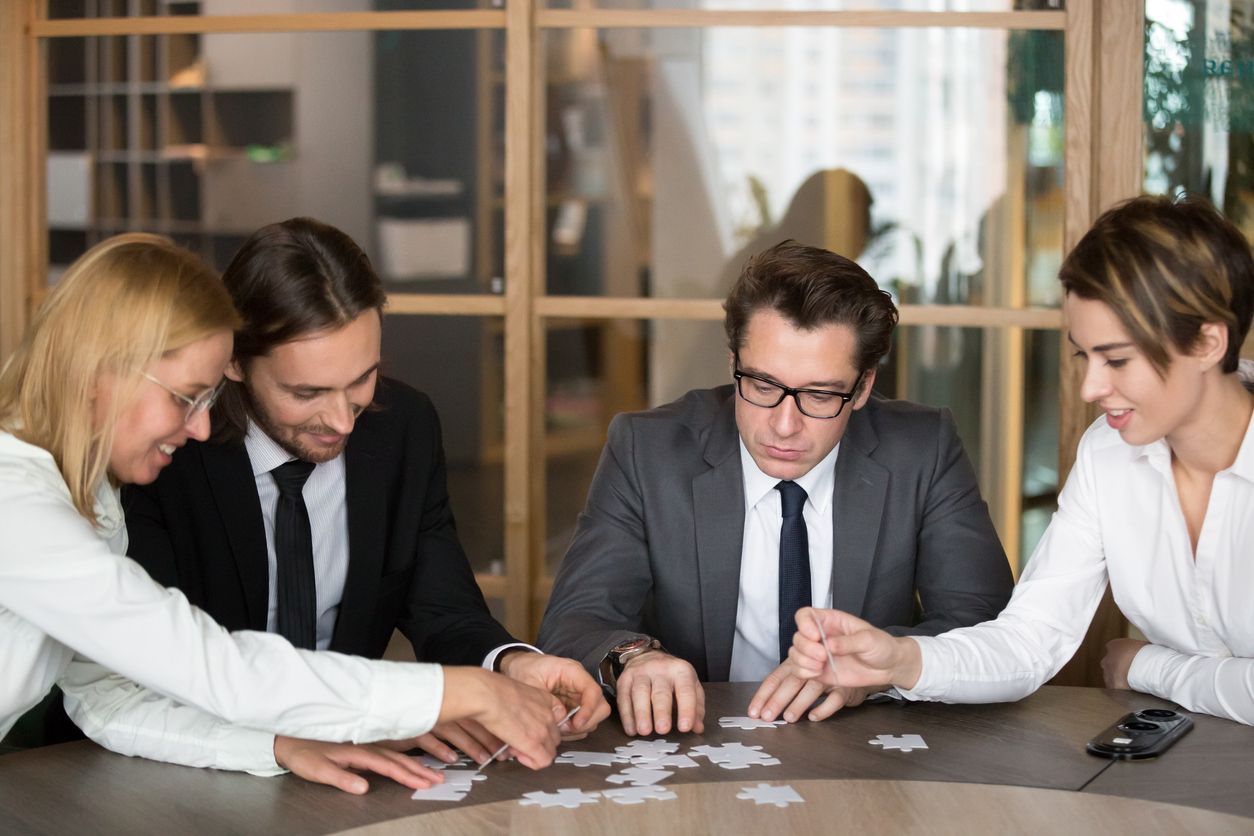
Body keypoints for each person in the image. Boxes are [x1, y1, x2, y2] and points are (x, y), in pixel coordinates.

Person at [0, 233, 574, 793]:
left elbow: (110, 694)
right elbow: (211, 665)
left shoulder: (92, 498)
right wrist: (458, 693)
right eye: (183, 397)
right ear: (97, 369)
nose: (200, 426)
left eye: (203, 403)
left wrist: (277, 746)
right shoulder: (18, 504)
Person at [790, 195, 1254, 726]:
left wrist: (1151, 665)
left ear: (1207, 342)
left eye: (1118, 359)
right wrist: (898, 660)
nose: (1091, 388)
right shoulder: (1108, 453)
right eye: (1085, 355)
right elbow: (1031, 640)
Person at [537, 239, 1014, 736]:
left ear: (865, 387)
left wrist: (875, 672)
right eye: (763, 386)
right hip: (695, 743)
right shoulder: (647, 449)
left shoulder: (922, 448)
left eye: (820, 394)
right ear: (732, 364)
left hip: (862, 742)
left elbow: (987, 626)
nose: (784, 425)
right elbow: (575, 621)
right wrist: (634, 658)